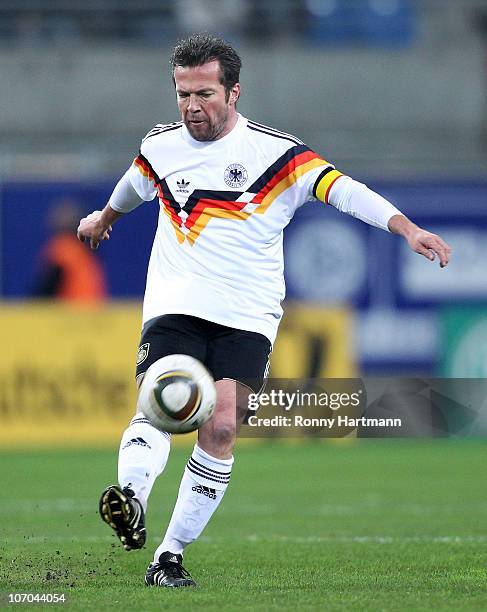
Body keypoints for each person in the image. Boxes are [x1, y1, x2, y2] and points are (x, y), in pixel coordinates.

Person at [77, 33, 451, 588]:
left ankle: (168, 556)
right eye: (182, 94)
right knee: (165, 402)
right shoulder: (161, 145)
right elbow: (135, 182)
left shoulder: (279, 156)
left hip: (249, 315)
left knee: (223, 427)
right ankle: (129, 498)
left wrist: (407, 228)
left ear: (233, 92)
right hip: (176, 304)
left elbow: (347, 191)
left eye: (203, 93)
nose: (191, 106)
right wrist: (106, 216)